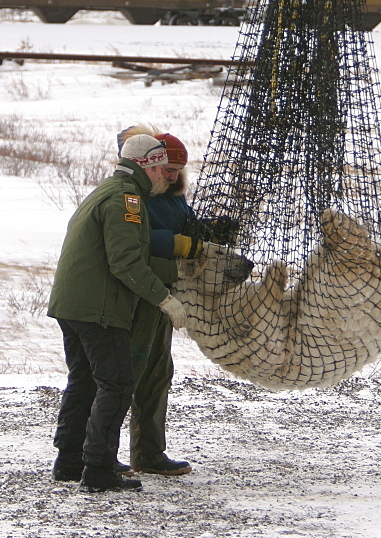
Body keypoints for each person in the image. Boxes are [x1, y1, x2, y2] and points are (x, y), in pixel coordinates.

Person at [47, 134, 188, 493]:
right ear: (147, 165)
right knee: (118, 384)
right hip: (99, 309)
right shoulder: (126, 199)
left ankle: (68, 462)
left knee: (85, 382)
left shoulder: (108, 189)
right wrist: (165, 300)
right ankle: (98, 468)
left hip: (73, 305)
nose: (163, 176)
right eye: (159, 168)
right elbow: (126, 261)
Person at [117, 126, 238, 477]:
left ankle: (149, 454)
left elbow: (186, 225)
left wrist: (209, 230)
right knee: (127, 373)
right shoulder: (135, 197)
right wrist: (181, 244)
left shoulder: (171, 194)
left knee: (158, 372)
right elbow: (137, 239)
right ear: (152, 166)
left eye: (176, 172)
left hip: (166, 290)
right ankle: (97, 453)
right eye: (166, 170)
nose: (170, 177)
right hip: (142, 293)